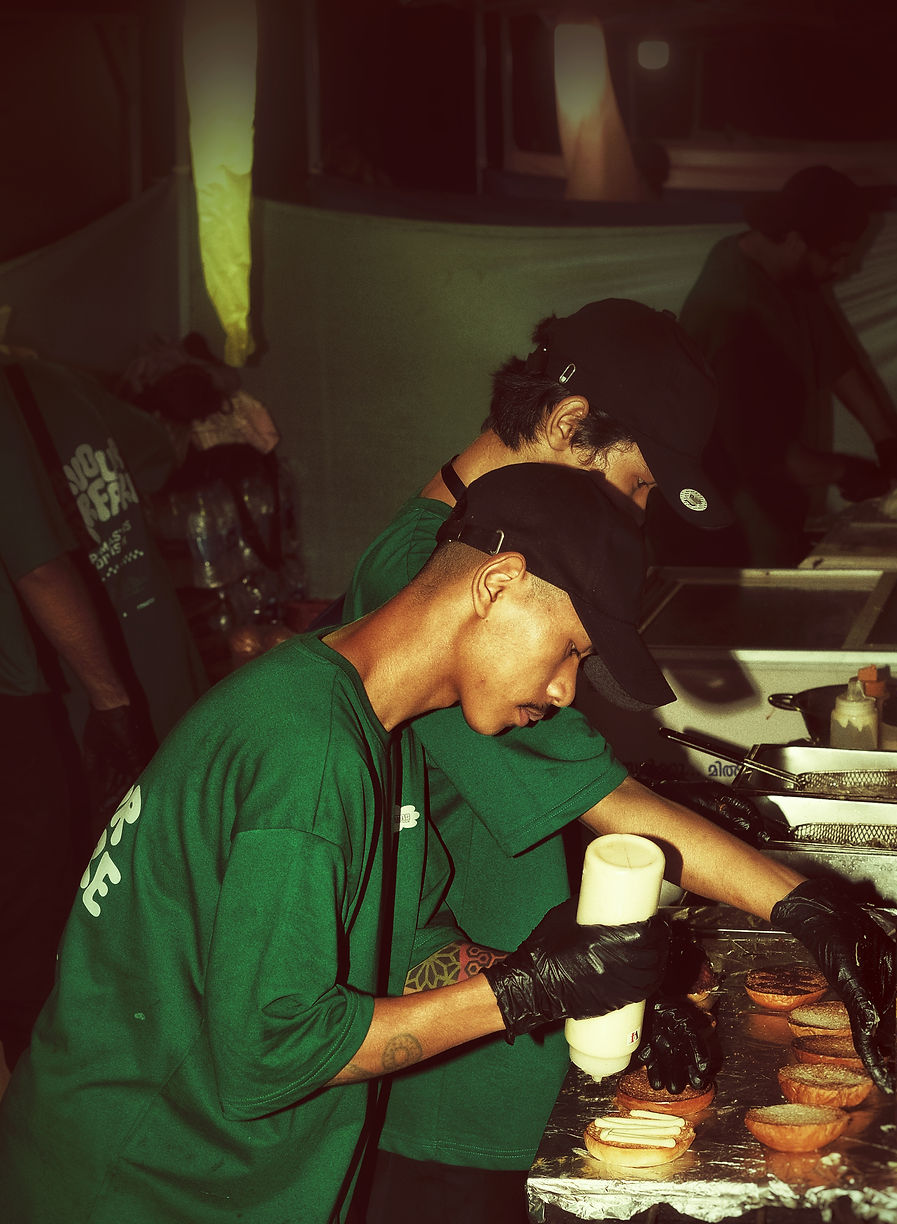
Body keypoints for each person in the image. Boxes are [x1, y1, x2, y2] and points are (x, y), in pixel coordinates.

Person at [326, 299, 896, 1224]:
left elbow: (551, 765)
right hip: (466, 1081)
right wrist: (806, 905)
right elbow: (590, 791)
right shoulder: (434, 572)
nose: (636, 515)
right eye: (634, 484)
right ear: (564, 423)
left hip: (532, 1022)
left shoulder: (495, 550)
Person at [0, 464, 675, 1224]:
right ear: (498, 585)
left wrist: (555, 976)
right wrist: (528, 991)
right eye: (571, 651)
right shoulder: (309, 752)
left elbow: (405, 946)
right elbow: (270, 1056)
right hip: (134, 1186)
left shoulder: (368, 720)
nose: (565, 692)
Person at [0, 353, 208, 1076]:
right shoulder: (59, 380)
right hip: (97, 698)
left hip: (94, 698)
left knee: (104, 899)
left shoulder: (50, 385)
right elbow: (38, 567)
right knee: (119, 896)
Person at [672, 164, 897, 567]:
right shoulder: (732, 315)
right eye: (836, 256)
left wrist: (885, 438)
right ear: (795, 241)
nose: (842, 271)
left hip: (777, 512)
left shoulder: (783, 269)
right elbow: (761, 455)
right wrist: (846, 471)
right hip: (734, 530)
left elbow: (834, 356)